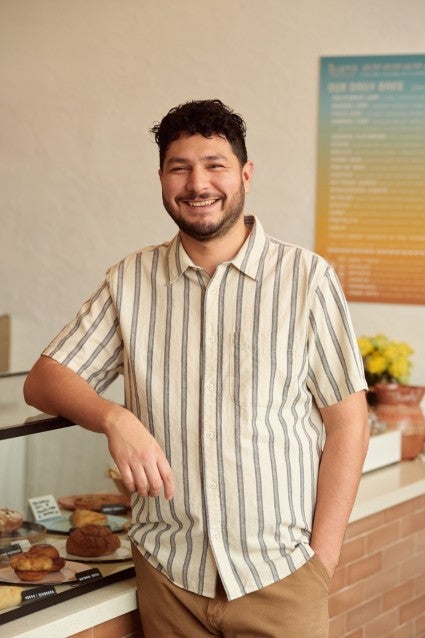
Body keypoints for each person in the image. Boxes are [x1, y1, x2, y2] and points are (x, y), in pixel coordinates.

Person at [24, 99, 369, 637]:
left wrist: (319, 564)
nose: (197, 183)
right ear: (161, 178)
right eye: (179, 167)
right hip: (170, 579)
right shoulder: (130, 280)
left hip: (281, 577)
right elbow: (44, 380)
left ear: (246, 175)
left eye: (215, 165)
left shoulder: (306, 279)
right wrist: (116, 419)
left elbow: (348, 423)